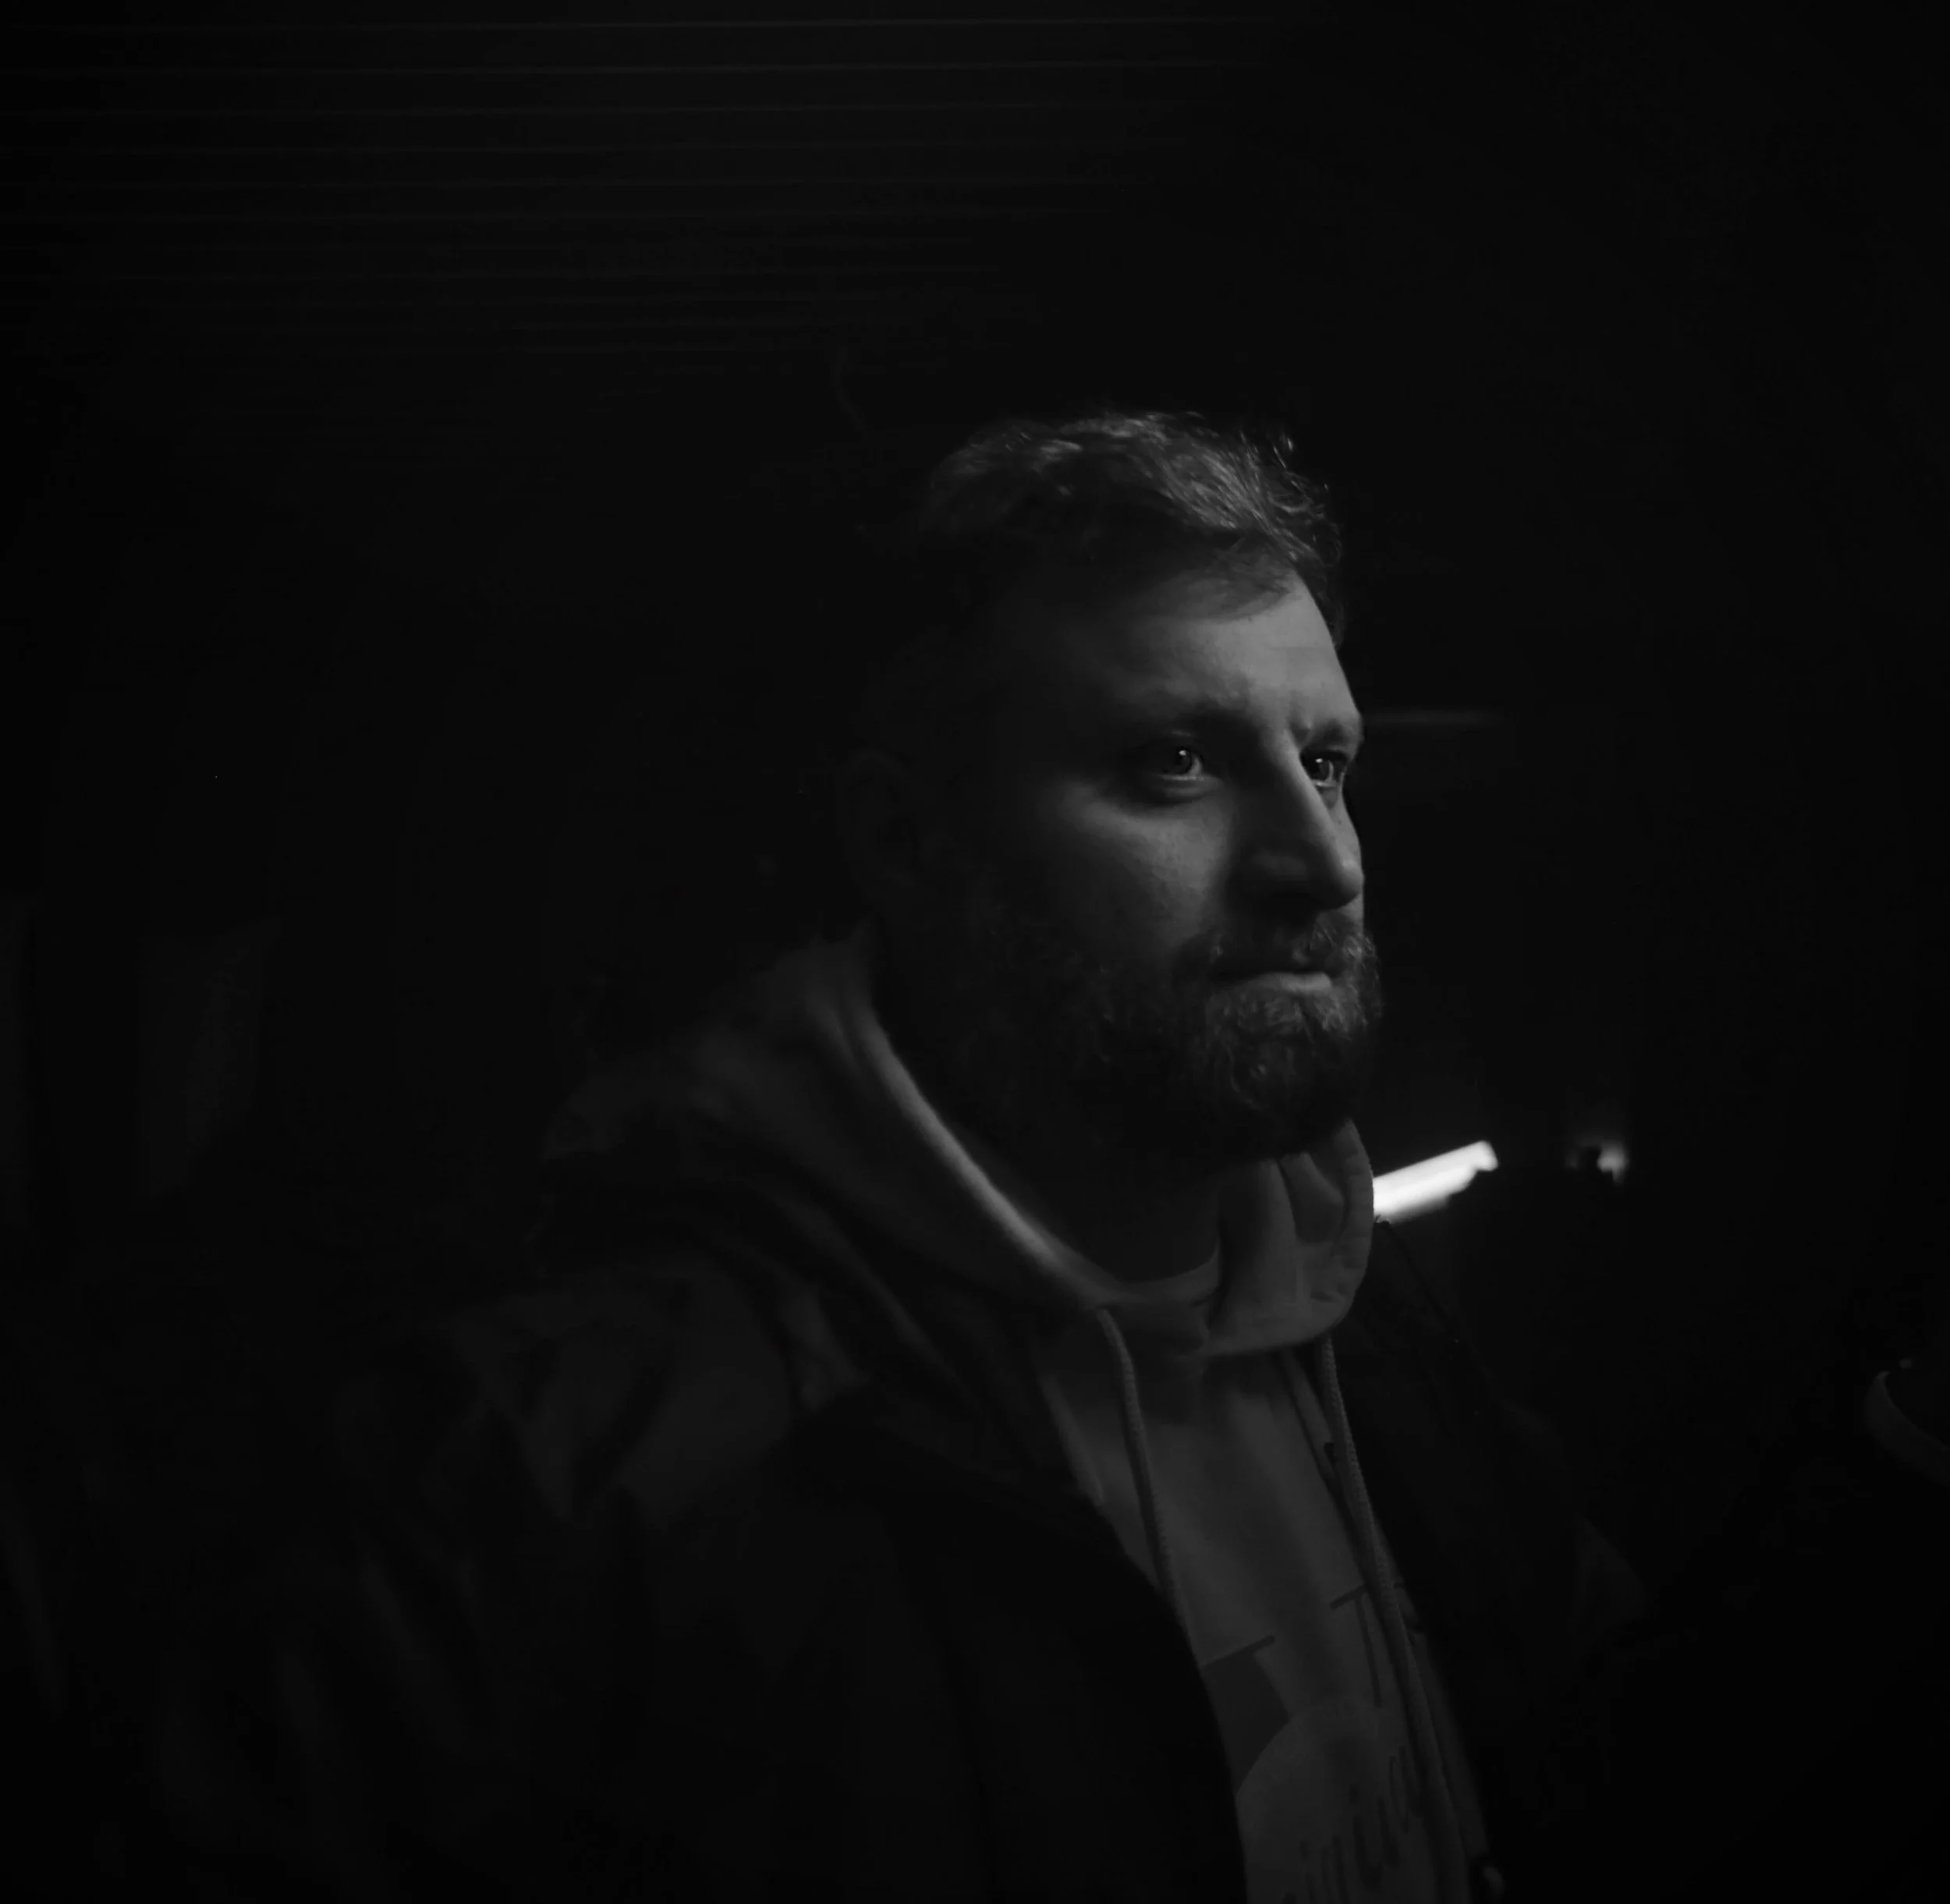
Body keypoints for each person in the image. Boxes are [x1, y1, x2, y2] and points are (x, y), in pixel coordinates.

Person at [133, 409, 1948, 1903]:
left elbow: (1601, 1759)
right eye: (1173, 759)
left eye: (1327, 760)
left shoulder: (1355, 1319)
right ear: (905, 840)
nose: (1319, 863)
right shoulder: (566, 1451)